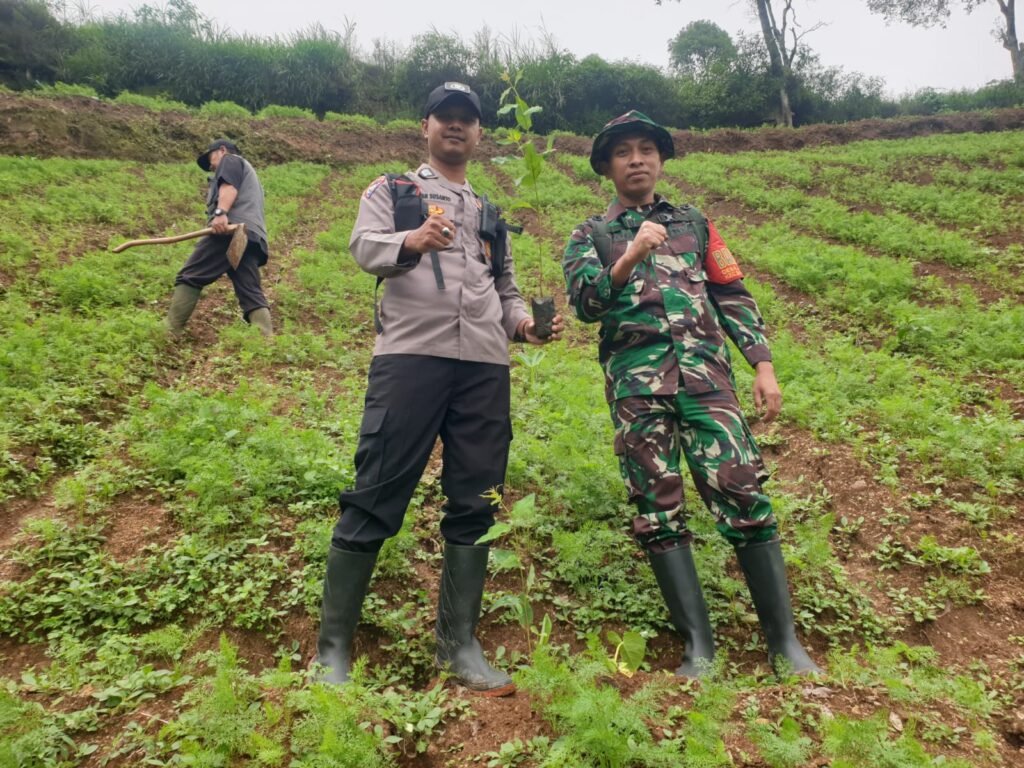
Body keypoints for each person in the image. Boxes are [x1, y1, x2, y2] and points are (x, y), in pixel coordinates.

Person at [315, 82, 563, 695]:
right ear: (424, 125)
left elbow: (502, 291)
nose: (456, 127)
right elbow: (363, 248)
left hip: (483, 366)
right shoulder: (394, 189)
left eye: (467, 120)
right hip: (411, 358)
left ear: (479, 134)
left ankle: (459, 644)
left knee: (477, 500)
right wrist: (412, 240)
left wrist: (526, 327)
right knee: (376, 491)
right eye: (445, 118)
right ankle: (332, 650)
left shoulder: (488, 212)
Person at [562, 110, 820, 678]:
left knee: (744, 492)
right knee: (657, 509)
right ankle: (698, 649)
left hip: (708, 382)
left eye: (647, 149)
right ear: (606, 166)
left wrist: (763, 365)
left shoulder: (695, 224)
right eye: (624, 152)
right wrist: (629, 256)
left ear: (661, 159)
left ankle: (785, 646)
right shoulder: (592, 234)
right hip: (637, 389)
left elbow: (731, 292)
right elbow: (585, 306)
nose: (637, 159)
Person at [165, 139, 273, 336]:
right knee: (249, 289)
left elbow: (228, 186)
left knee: (190, 275)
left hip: (231, 231)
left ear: (221, 150)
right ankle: (265, 340)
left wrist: (220, 212)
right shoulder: (251, 175)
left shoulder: (230, 160)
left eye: (211, 159)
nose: (212, 166)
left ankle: (169, 333)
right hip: (250, 236)